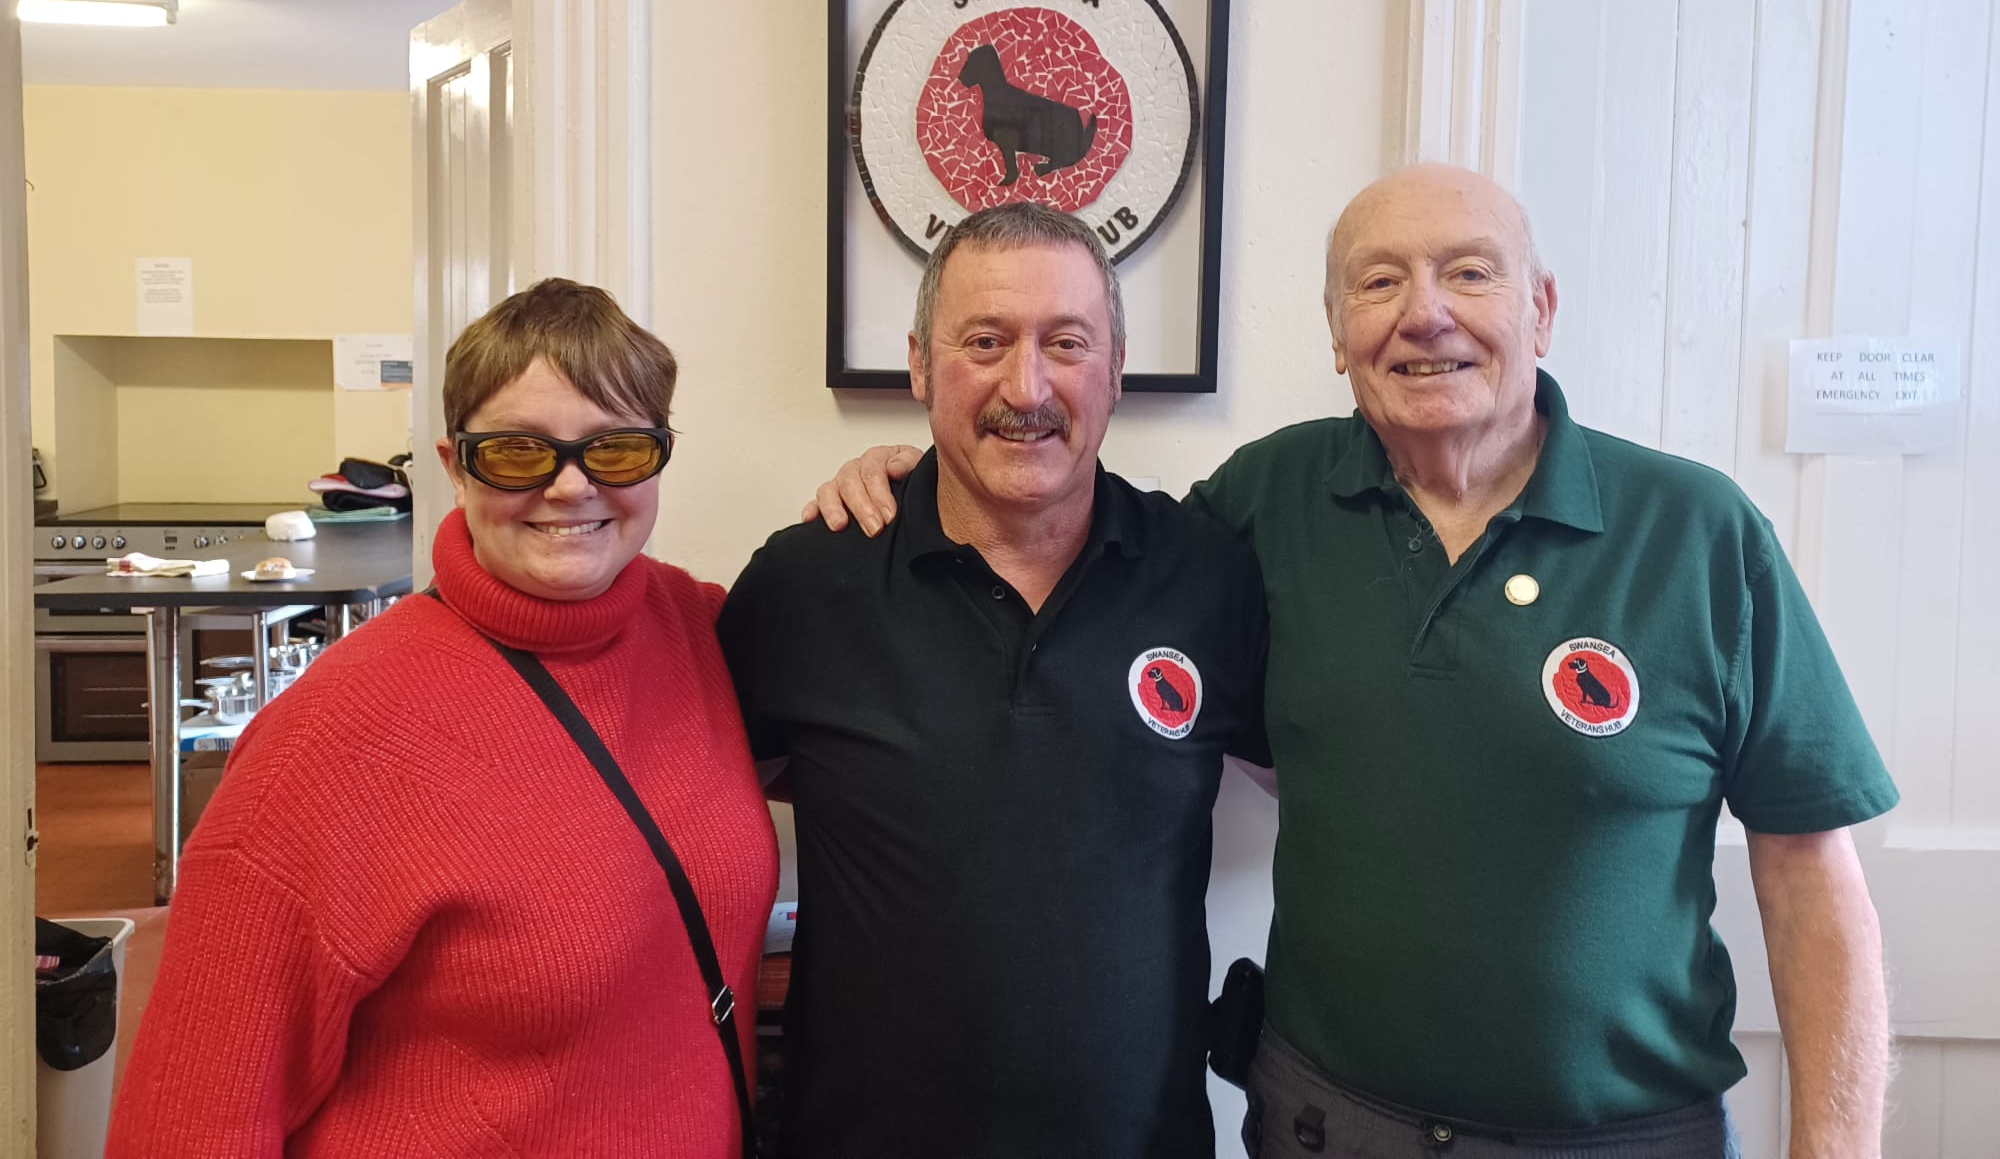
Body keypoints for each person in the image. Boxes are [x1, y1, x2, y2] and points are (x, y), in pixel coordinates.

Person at [808, 165, 1898, 1159]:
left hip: (1620, 1137)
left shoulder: (1694, 533)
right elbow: (1076, 571)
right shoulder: (1262, 506)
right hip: (1322, 1126)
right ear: (1335, 336)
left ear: (1540, 311)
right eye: (1377, 284)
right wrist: (918, 484)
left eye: (1467, 273)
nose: (1423, 314)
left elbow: (1807, 869)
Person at [109, 279, 778, 1158]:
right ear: (454, 463)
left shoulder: (705, 633)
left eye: (614, 451)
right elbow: (193, 1112)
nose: (570, 488)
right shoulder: (332, 736)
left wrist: (905, 487)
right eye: (515, 454)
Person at [718, 202, 1270, 1158]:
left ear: (1116, 370)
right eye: (986, 340)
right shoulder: (809, 581)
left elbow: (1326, 783)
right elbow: (708, 799)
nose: (1029, 384)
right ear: (922, 367)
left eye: (1067, 342)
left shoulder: (1209, 577)